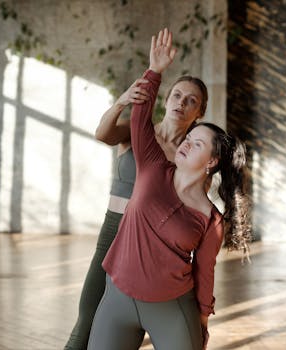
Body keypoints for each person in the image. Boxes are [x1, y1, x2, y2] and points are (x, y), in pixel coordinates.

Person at [86, 28, 251, 350]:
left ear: (212, 162)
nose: (187, 144)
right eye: (188, 140)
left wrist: (203, 319)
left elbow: (205, 272)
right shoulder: (152, 167)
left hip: (172, 307)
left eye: (198, 143)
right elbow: (139, 120)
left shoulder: (211, 219)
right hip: (116, 296)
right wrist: (155, 72)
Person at [65, 36, 211, 350]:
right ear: (167, 97)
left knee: (125, 325)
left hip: (150, 242)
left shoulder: (189, 157)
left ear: (199, 112)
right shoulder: (141, 134)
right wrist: (122, 101)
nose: (181, 103)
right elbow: (103, 133)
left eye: (191, 101)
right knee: (86, 318)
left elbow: (194, 209)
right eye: (177, 95)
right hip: (113, 229)